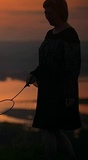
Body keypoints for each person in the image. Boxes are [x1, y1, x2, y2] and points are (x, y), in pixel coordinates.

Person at [26, 0, 81, 159]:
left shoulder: (70, 34)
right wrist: (34, 74)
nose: (47, 16)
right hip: (46, 90)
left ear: (59, 12)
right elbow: (45, 62)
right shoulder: (50, 33)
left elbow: (72, 67)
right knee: (52, 129)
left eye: (49, 13)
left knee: (50, 129)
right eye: (45, 13)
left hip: (60, 90)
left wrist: (69, 95)